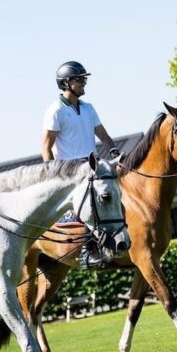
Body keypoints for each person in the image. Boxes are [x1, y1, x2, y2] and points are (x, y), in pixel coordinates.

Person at [42, 61, 119, 267]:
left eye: (84, 79)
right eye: (80, 79)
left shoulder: (88, 108)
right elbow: (46, 146)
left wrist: (114, 151)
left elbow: (102, 134)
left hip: (92, 168)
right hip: (71, 172)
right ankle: (86, 252)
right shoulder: (56, 110)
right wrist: (52, 173)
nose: (84, 83)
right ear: (66, 83)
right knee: (87, 207)